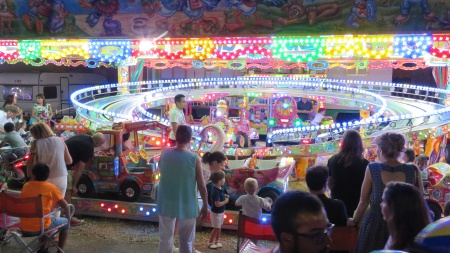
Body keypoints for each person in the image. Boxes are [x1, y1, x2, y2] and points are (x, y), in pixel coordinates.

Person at [348, 131, 424, 253]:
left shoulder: (373, 168)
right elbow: (421, 201)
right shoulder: (413, 170)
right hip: (406, 226)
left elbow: (364, 201)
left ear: (380, 150)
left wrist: (354, 220)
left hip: (374, 226)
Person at [157, 125, 208, 253]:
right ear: (190, 139)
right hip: (187, 203)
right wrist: (205, 205)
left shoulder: (165, 152)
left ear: (176, 137)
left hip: (166, 201)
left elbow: (161, 168)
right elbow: (201, 185)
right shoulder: (194, 158)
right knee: (186, 240)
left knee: (165, 238)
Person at [21, 163, 73, 253]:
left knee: (48, 219)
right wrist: (68, 218)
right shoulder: (50, 188)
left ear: (32, 174)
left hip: (24, 225)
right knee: (65, 224)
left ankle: (43, 250)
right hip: (41, 225)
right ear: (48, 175)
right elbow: (65, 206)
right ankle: (60, 251)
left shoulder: (26, 186)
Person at [28, 122, 72, 218]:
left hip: (43, 177)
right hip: (61, 175)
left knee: (45, 203)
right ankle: (55, 227)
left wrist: (30, 176)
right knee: (58, 204)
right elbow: (69, 161)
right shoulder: (60, 140)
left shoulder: (35, 143)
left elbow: (31, 162)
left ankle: (45, 226)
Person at [64, 132, 104, 226]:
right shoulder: (89, 147)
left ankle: (65, 213)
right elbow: (80, 168)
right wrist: (74, 185)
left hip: (58, 160)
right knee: (68, 190)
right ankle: (69, 218)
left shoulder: (84, 136)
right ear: (98, 144)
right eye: (101, 145)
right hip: (63, 165)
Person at [327, 129, 369, 217]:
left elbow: (329, 182)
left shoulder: (333, 160)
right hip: (357, 202)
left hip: (338, 201)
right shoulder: (365, 163)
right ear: (359, 144)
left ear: (343, 143)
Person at [382, 182, 431, 251]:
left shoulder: (410, 248)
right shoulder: (395, 236)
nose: (381, 205)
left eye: (384, 201)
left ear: (396, 208)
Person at [208, 170, 229, 249]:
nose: (225, 180)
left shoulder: (221, 188)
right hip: (216, 212)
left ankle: (217, 241)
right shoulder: (215, 191)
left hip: (220, 211)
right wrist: (226, 201)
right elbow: (217, 204)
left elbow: (221, 196)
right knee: (216, 228)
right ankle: (210, 242)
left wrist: (225, 196)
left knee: (219, 227)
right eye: (224, 178)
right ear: (219, 180)